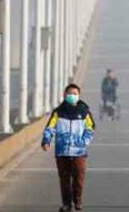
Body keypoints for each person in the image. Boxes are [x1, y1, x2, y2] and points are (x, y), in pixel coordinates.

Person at [41, 83, 96, 212]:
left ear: (79, 96)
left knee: (78, 179)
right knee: (64, 180)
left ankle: (77, 202)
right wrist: (46, 141)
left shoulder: (84, 112)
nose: (72, 96)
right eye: (70, 94)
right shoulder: (58, 112)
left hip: (79, 152)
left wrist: (83, 142)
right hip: (62, 152)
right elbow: (50, 128)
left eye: (75, 94)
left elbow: (90, 128)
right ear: (65, 95)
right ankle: (66, 204)